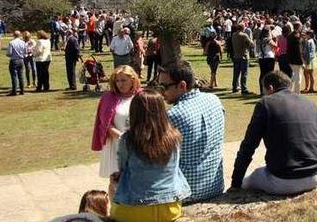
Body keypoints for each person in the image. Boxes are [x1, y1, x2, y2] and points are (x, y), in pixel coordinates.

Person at [230, 71, 317, 195]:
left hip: (281, 180)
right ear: (289, 86)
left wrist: (235, 183)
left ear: (270, 88)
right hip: (313, 177)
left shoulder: (265, 104)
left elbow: (248, 145)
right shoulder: (309, 102)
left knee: (249, 179)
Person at [110, 89, 190, 222]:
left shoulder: (127, 139)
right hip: (170, 208)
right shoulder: (175, 137)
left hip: (134, 208)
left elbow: (122, 167)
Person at [159, 61, 225, 202]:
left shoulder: (173, 115)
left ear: (182, 86)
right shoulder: (215, 100)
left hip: (186, 193)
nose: (161, 92)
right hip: (215, 186)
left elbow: (159, 157)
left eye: (164, 86)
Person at [93, 66, 141, 180]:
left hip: (137, 144)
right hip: (116, 144)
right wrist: (123, 138)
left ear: (132, 80)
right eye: (117, 81)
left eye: (123, 80)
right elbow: (105, 124)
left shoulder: (141, 96)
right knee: (116, 181)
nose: (120, 84)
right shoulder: (108, 97)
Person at [231, 24, 255, 95]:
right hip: (244, 56)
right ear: (243, 28)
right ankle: (244, 88)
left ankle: (234, 87)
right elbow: (251, 44)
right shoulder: (244, 35)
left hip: (236, 55)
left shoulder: (234, 35)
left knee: (236, 73)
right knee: (244, 73)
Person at [6, 30, 27, 96]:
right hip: (21, 60)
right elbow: (25, 52)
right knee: (21, 75)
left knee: (14, 76)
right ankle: (22, 90)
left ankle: (14, 91)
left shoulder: (11, 43)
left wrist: (10, 55)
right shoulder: (23, 42)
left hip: (14, 60)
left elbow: (9, 53)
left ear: (13, 35)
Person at [257, 27, 277, 95]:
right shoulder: (268, 39)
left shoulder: (259, 39)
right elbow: (275, 45)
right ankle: (269, 90)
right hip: (269, 57)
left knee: (262, 74)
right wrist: (275, 39)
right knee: (270, 74)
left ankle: (262, 90)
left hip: (261, 57)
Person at [286, 24, 304, 93]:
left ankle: (289, 89)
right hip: (296, 60)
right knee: (298, 77)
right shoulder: (296, 36)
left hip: (290, 59)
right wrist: (301, 61)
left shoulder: (290, 35)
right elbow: (298, 50)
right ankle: (297, 93)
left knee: (294, 75)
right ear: (299, 27)